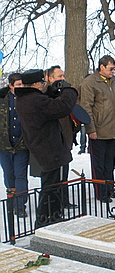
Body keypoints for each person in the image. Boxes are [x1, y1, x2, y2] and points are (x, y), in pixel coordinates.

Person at [15, 69, 78, 227]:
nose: (44, 84)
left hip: (41, 146)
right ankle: (45, 221)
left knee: (52, 186)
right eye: (43, 82)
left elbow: (47, 103)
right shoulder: (35, 100)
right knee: (50, 188)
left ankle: (53, 217)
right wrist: (69, 90)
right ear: (36, 84)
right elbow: (61, 107)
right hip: (48, 147)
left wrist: (51, 91)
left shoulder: (24, 99)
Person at [79, 55, 115, 202]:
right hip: (98, 130)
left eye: (114, 69)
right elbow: (86, 108)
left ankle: (110, 188)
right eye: (110, 69)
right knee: (99, 164)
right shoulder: (90, 83)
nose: (113, 71)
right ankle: (101, 192)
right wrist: (91, 129)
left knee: (109, 163)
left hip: (113, 129)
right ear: (101, 67)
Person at [46, 65, 78, 208]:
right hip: (52, 144)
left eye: (63, 76)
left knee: (64, 173)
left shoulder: (63, 94)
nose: (62, 79)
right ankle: (53, 204)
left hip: (66, 139)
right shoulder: (45, 96)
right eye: (59, 76)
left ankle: (64, 199)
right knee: (53, 177)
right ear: (50, 78)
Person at [0, 73, 28, 217]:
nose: (21, 87)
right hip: (4, 145)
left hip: (21, 145)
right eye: (18, 85)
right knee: (9, 175)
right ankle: (11, 200)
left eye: (22, 84)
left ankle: (20, 205)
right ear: (11, 86)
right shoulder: (2, 99)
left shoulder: (26, 100)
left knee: (20, 175)